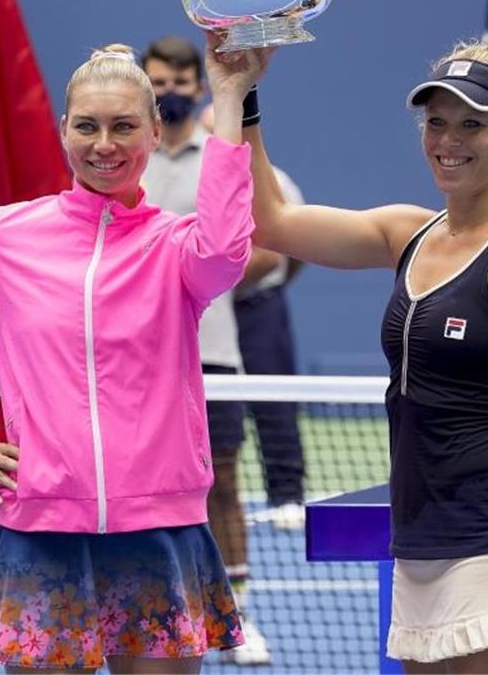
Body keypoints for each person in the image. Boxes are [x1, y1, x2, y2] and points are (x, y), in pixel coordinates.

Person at [0, 34, 271, 673]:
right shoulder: (4, 236)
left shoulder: (180, 247)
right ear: (63, 130)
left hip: (159, 532)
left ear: (154, 132)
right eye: (87, 127)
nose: (104, 145)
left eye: (124, 127)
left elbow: (230, 247)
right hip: (41, 535)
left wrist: (230, 95)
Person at [246, 41, 488, 672]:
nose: (448, 140)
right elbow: (269, 222)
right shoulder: (405, 232)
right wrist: (240, 92)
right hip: (418, 543)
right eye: (436, 122)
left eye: (472, 124)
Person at [139, 34, 273, 666]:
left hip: (211, 351)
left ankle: (236, 616)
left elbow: (263, 239)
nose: (167, 91)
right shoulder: (121, 157)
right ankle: (158, 608)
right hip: (132, 363)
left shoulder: (222, 153)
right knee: (143, 490)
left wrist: (200, 272)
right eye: (156, 79)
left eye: (177, 80)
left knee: (221, 484)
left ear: (197, 85)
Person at [233, 165, 308, 531]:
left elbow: (292, 251)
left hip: (259, 306)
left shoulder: (276, 181)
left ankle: (287, 495)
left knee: (275, 402)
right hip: (200, 312)